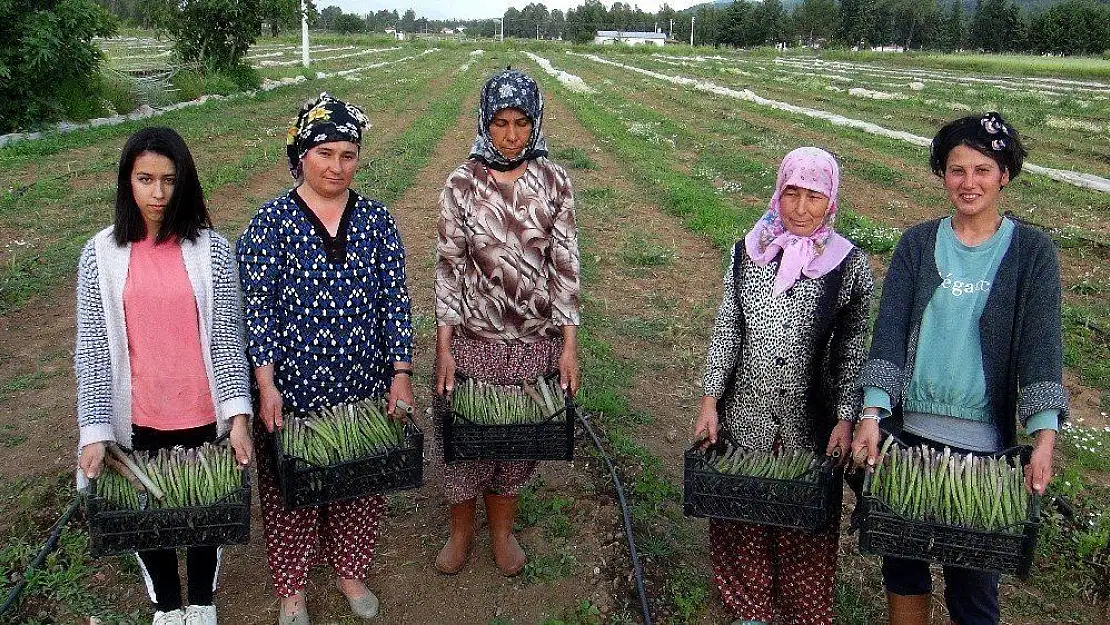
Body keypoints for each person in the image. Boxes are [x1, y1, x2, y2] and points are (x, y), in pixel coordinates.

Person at [852, 112, 1067, 625]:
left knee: (973, 582)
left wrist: (1044, 439)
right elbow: (889, 332)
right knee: (904, 566)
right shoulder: (917, 244)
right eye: (956, 170)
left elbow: (1042, 348)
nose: (968, 183)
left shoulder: (1032, 252)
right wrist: (872, 412)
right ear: (942, 175)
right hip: (911, 437)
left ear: (1004, 176)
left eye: (982, 170)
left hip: (983, 451)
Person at [237, 93, 414, 624]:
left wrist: (400, 373)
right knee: (290, 489)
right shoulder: (270, 223)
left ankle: (350, 571)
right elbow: (258, 309)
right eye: (325, 153)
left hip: (360, 387)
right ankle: (292, 588)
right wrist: (266, 384)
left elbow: (394, 301)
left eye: (348, 155)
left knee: (357, 482)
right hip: (293, 389)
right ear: (301, 154)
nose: (337, 166)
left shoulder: (377, 221)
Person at [75, 127, 254, 625]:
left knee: (204, 512)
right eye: (145, 179)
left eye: (169, 180)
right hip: (139, 415)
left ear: (185, 183)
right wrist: (94, 431)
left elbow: (226, 341)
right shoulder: (101, 256)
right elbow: (93, 350)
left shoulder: (211, 250)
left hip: (199, 410)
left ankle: (201, 601)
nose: (157, 194)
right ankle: (167, 605)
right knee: (145, 518)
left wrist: (236, 414)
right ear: (126, 183)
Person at [692, 147, 874, 625]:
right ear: (778, 192)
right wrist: (711, 399)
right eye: (791, 193)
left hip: (809, 420)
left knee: (805, 520)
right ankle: (749, 609)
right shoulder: (748, 251)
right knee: (743, 509)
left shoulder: (849, 265)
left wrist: (846, 417)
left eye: (814, 196)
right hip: (746, 412)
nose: (800, 207)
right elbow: (728, 328)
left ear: (830, 200)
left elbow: (854, 349)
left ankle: (802, 612)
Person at [433, 68, 581, 577]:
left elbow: (565, 267)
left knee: (517, 444)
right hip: (475, 339)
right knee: (465, 441)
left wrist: (568, 346)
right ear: (484, 122)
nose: (512, 135)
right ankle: (460, 530)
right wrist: (445, 346)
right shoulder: (462, 183)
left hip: (533, 341)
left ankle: (501, 531)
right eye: (499, 123)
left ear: (536, 122)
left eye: (522, 122)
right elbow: (449, 267)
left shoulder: (553, 182)